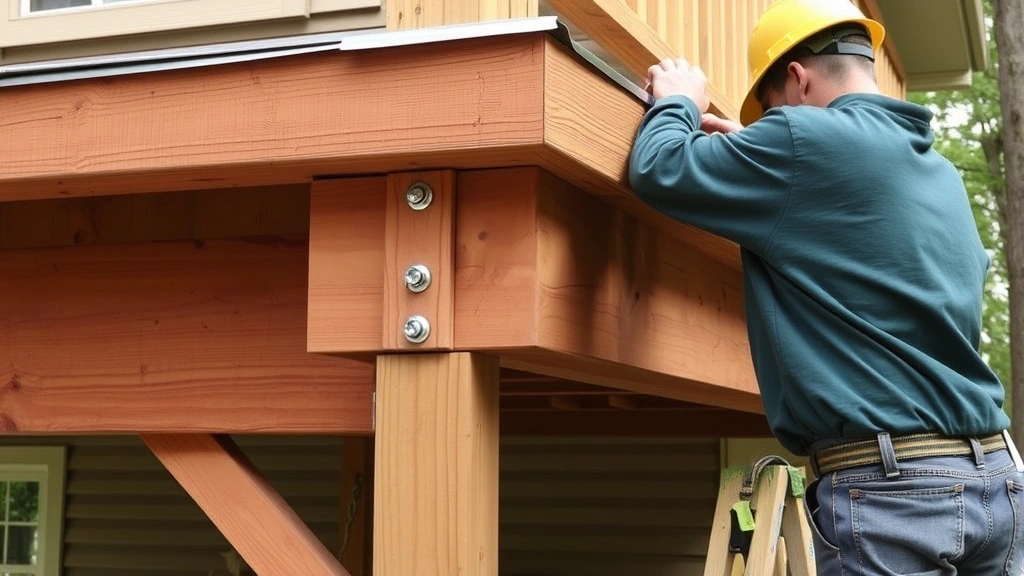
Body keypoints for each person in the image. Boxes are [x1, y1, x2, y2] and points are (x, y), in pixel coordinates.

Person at [627, 0, 1024, 574]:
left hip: (898, 498)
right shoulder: (935, 170)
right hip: (997, 480)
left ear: (796, 78)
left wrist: (679, 103)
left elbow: (659, 166)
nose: (769, 125)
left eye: (769, 112)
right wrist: (760, 158)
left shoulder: (800, 139)